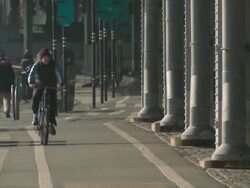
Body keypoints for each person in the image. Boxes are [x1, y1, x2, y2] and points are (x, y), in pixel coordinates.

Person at [28, 48, 63, 135]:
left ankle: (51, 123)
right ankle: (35, 115)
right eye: (44, 57)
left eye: (47, 57)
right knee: (35, 97)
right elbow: (31, 74)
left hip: (51, 85)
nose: (46, 59)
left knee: (53, 103)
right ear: (41, 58)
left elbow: (58, 74)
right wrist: (30, 83)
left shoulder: (53, 65)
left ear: (50, 58)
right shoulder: (37, 65)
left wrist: (60, 83)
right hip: (39, 84)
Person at [0, 50, 15, 118]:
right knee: (6, 98)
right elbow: (12, 75)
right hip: (7, 84)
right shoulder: (8, 64)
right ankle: (6, 110)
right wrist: (12, 82)